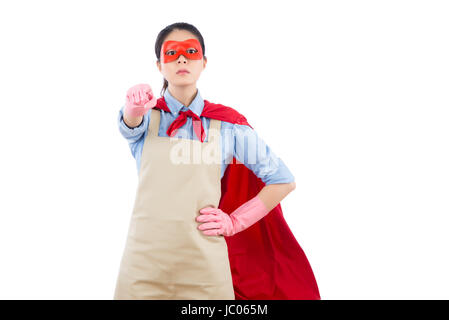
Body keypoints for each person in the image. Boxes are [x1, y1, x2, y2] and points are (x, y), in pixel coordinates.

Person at [113, 22, 320, 300]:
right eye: (171, 53)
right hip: (142, 266)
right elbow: (130, 124)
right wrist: (132, 107)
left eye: (191, 51)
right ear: (159, 65)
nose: (182, 58)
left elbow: (283, 181)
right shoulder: (147, 118)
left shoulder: (228, 126)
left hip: (204, 267)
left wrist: (233, 222)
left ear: (204, 63)